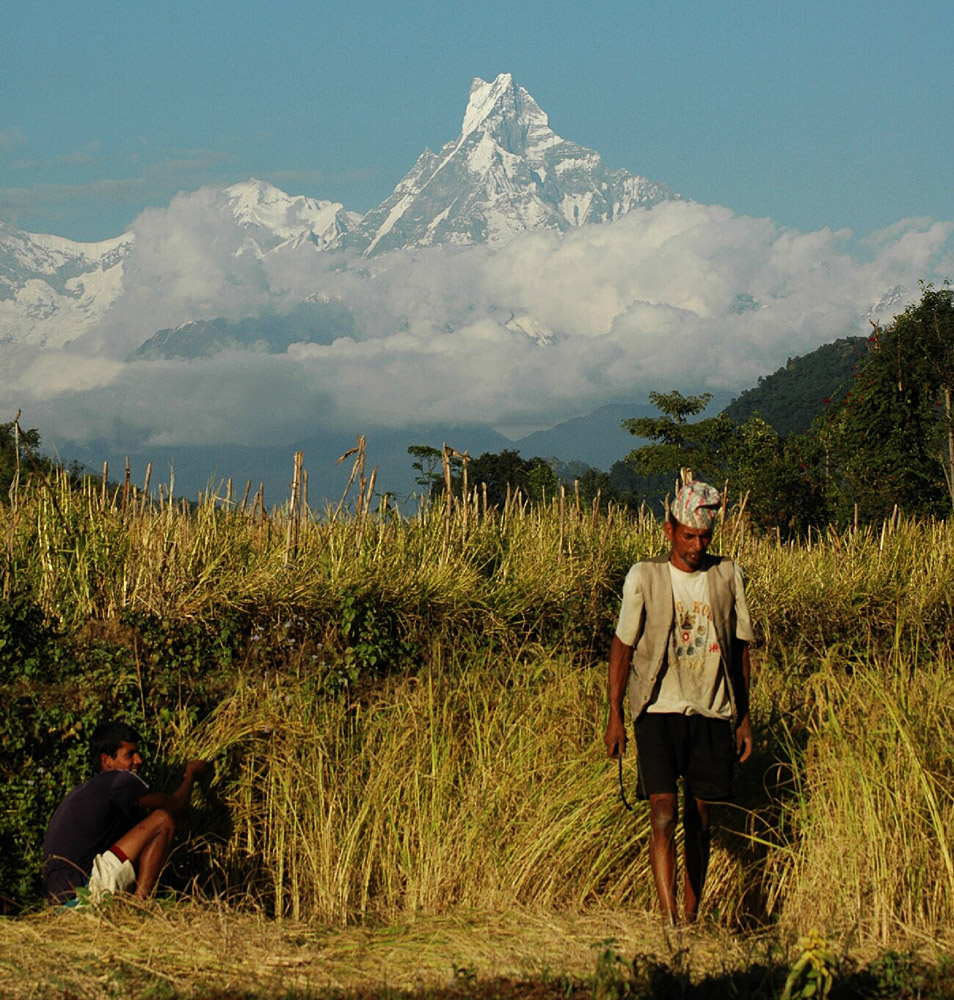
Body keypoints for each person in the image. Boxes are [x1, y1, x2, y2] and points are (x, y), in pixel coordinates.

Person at [603, 479, 754, 924]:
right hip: (656, 710)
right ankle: (669, 920)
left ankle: (690, 914)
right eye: (689, 535)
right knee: (664, 813)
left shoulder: (727, 575)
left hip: (711, 709)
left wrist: (743, 717)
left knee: (701, 818)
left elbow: (741, 648)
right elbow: (622, 647)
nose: (696, 545)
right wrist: (614, 716)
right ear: (669, 529)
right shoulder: (644, 576)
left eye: (704, 536)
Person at [42, 720, 211, 905]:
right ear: (106, 761)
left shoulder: (86, 791)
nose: (139, 760)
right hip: (82, 893)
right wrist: (191, 775)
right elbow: (177, 804)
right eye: (130, 755)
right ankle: (140, 906)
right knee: (162, 820)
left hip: (61, 901)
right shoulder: (118, 780)